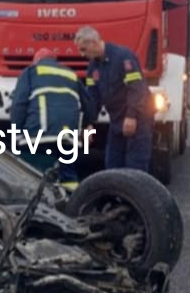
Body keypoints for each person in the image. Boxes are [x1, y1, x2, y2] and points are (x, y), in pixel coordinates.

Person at [74, 26, 153, 172]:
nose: (82, 54)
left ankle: (135, 187)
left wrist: (131, 116)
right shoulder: (93, 68)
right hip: (117, 119)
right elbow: (92, 98)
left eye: (83, 49)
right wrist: (88, 124)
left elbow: (136, 88)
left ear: (94, 43)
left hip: (138, 118)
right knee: (112, 163)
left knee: (135, 165)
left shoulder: (123, 57)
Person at [9, 48, 83, 186]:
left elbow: (19, 105)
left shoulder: (30, 72)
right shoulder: (71, 74)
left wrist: (17, 132)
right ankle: (72, 195)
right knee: (69, 175)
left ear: (36, 61)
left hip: (40, 133)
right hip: (68, 135)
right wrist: (85, 126)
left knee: (34, 174)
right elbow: (88, 104)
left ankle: (42, 192)